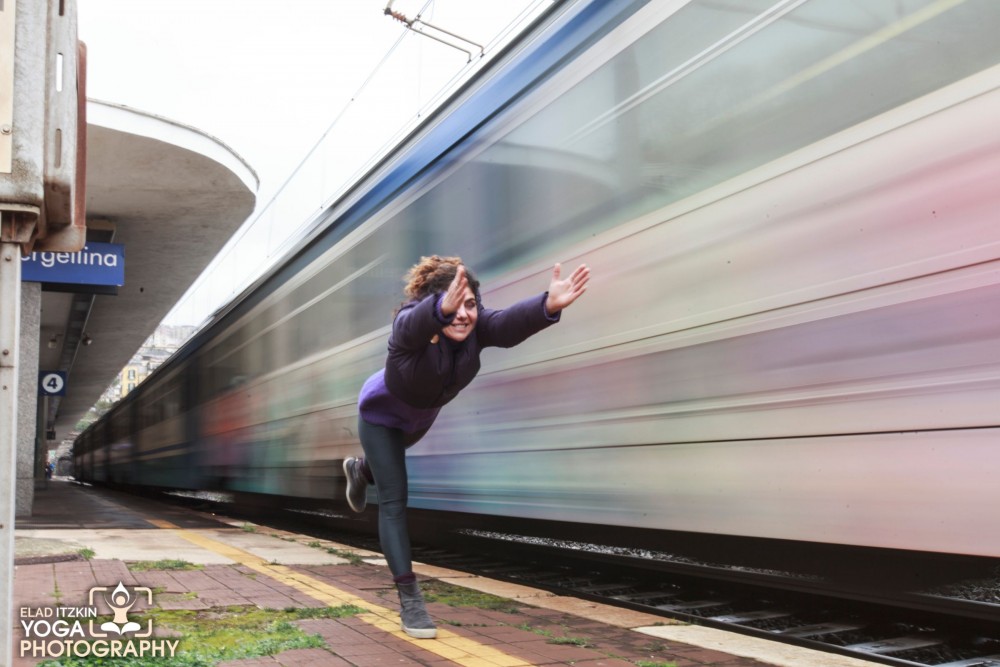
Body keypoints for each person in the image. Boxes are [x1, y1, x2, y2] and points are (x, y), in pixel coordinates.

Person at [344, 255, 590, 639]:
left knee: (383, 467)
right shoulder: (409, 329)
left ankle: (361, 470)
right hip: (380, 416)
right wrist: (438, 309)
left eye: (471, 304)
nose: (463, 314)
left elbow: (508, 325)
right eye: (453, 304)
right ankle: (410, 600)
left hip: (419, 420)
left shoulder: (477, 327)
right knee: (394, 499)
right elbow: (411, 322)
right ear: (434, 306)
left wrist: (547, 305)